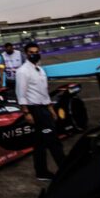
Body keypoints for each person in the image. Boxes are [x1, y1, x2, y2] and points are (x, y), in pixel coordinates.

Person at [15, 42, 65, 181]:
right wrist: (26, 113)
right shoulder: (22, 71)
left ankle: (41, 172)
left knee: (40, 143)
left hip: (44, 108)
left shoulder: (41, 70)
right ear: (26, 53)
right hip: (34, 110)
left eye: (36, 51)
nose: (34, 54)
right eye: (31, 52)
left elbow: (44, 92)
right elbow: (21, 94)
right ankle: (65, 170)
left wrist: (51, 109)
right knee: (53, 141)